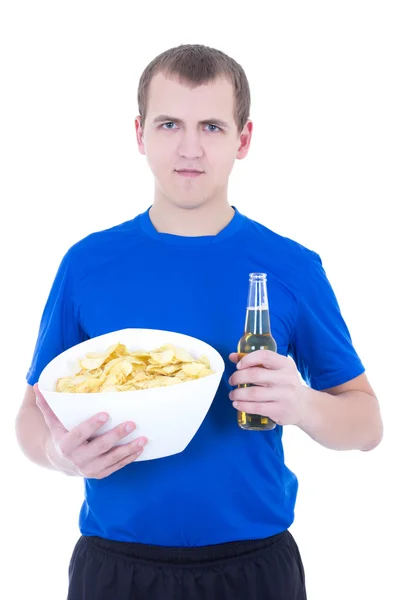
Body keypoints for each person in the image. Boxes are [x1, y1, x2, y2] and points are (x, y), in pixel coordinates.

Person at [15, 44, 383, 600]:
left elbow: (368, 424)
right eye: (169, 124)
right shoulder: (86, 264)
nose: (190, 148)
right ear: (139, 134)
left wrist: (305, 405)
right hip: (114, 568)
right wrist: (57, 455)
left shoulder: (292, 268)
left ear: (244, 138)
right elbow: (31, 413)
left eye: (212, 125)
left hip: (255, 568)